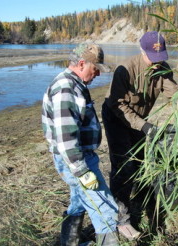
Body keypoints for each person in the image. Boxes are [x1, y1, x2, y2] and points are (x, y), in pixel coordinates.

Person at [102, 31, 178, 239]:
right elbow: (118, 104)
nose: (156, 64)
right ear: (142, 51)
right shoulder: (125, 70)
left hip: (139, 121)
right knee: (123, 167)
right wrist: (144, 126)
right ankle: (122, 220)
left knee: (141, 162)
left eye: (160, 59)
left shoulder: (161, 68)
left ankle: (140, 200)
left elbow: (176, 93)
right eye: (152, 59)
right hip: (117, 118)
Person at [42, 43, 119, 246]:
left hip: (77, 157)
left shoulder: (75, 84)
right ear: (82, 64)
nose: (98, 75)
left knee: (79, 200)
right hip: (76, 159)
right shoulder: (66, 89)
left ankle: (68, 242)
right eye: (96, 69)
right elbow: (65, 138)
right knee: (105, 210)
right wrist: (82, 170)